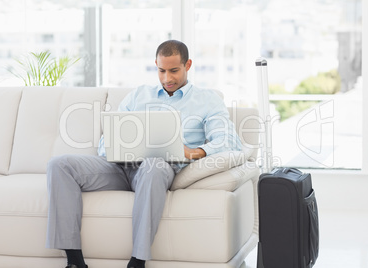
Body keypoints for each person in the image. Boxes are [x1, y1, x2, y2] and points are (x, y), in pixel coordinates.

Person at [46, 40, 242, 268]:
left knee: (153, 164)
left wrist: (195, 152)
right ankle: (74, 261)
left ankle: (137, 262)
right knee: (60, 164)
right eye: (161, 71)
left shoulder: (207, 100)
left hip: (158, 169)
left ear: (188, 65)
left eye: (174, 71)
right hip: (120, 167)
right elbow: (107, 140)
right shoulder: (138, 95)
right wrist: (115, 147)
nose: (167, 78)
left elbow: (229, 141)